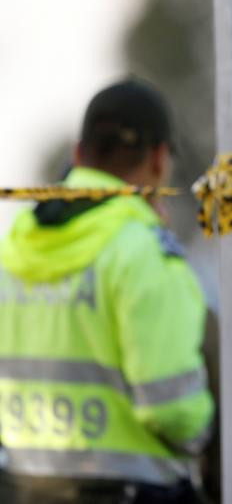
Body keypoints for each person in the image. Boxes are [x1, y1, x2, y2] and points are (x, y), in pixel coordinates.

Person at [0, 79, 214, 504]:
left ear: (79, 154)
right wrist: (206, 431)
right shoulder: (143, 251)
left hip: (22, 486)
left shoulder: (14, 245)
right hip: (130, 488)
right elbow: (174, 409)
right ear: (158, 160)